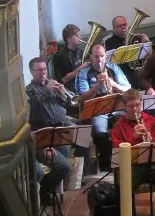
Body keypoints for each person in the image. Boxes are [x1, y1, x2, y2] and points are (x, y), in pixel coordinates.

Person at [110, 89, 155, 215]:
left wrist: (151, 140)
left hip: (154, 164)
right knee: (123, 186)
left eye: (138, 105)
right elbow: (117, 150)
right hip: (132, 166)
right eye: (131, 106)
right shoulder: (119, 126)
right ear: (124, 107)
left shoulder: (151, 120)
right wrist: (134, 138)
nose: (135, 109)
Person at [75, 44, 130, 171]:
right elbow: (83, 99)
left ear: (106, 56)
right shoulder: (83, 73)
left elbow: (128, 89)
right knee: (100, 133)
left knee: (129, 125)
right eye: (96, 56)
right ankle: (108, 162)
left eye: (102, 56)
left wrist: (114, 84)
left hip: (117, 107)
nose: (99, 60)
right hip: (97, 110)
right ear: (90, 57)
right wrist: (97, 85)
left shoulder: (113, 67)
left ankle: (126, 159)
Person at [26, 56, 73, 200]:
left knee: (86, 140)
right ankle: (45, 191)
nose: (43, 72)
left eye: (44, 69)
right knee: (63, 164)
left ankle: (65, 183)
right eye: (39, 70)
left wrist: (62, 91)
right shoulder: (29, 90)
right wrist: (47, 90)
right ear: (31, 72)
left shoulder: (51, 84)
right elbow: (33, 105)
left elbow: (68, 102)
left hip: (63, 126)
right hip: (46, 133)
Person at [103, 15, 149, 89]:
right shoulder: (107, 41)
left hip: (134, 72)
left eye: (125, 25)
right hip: (117, 74)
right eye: (120, 26)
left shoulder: (135, 37)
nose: (123, 27)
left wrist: (146, 43)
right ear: (114, 28)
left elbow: (147, 55)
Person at [51, 23, 84, 91]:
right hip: (70, 88)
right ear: (68, 39)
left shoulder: (81, 51)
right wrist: (80, 68)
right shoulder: (60, 56)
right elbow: (62, 80)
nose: (80, 37)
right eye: (76, 35)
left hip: (82, 83)